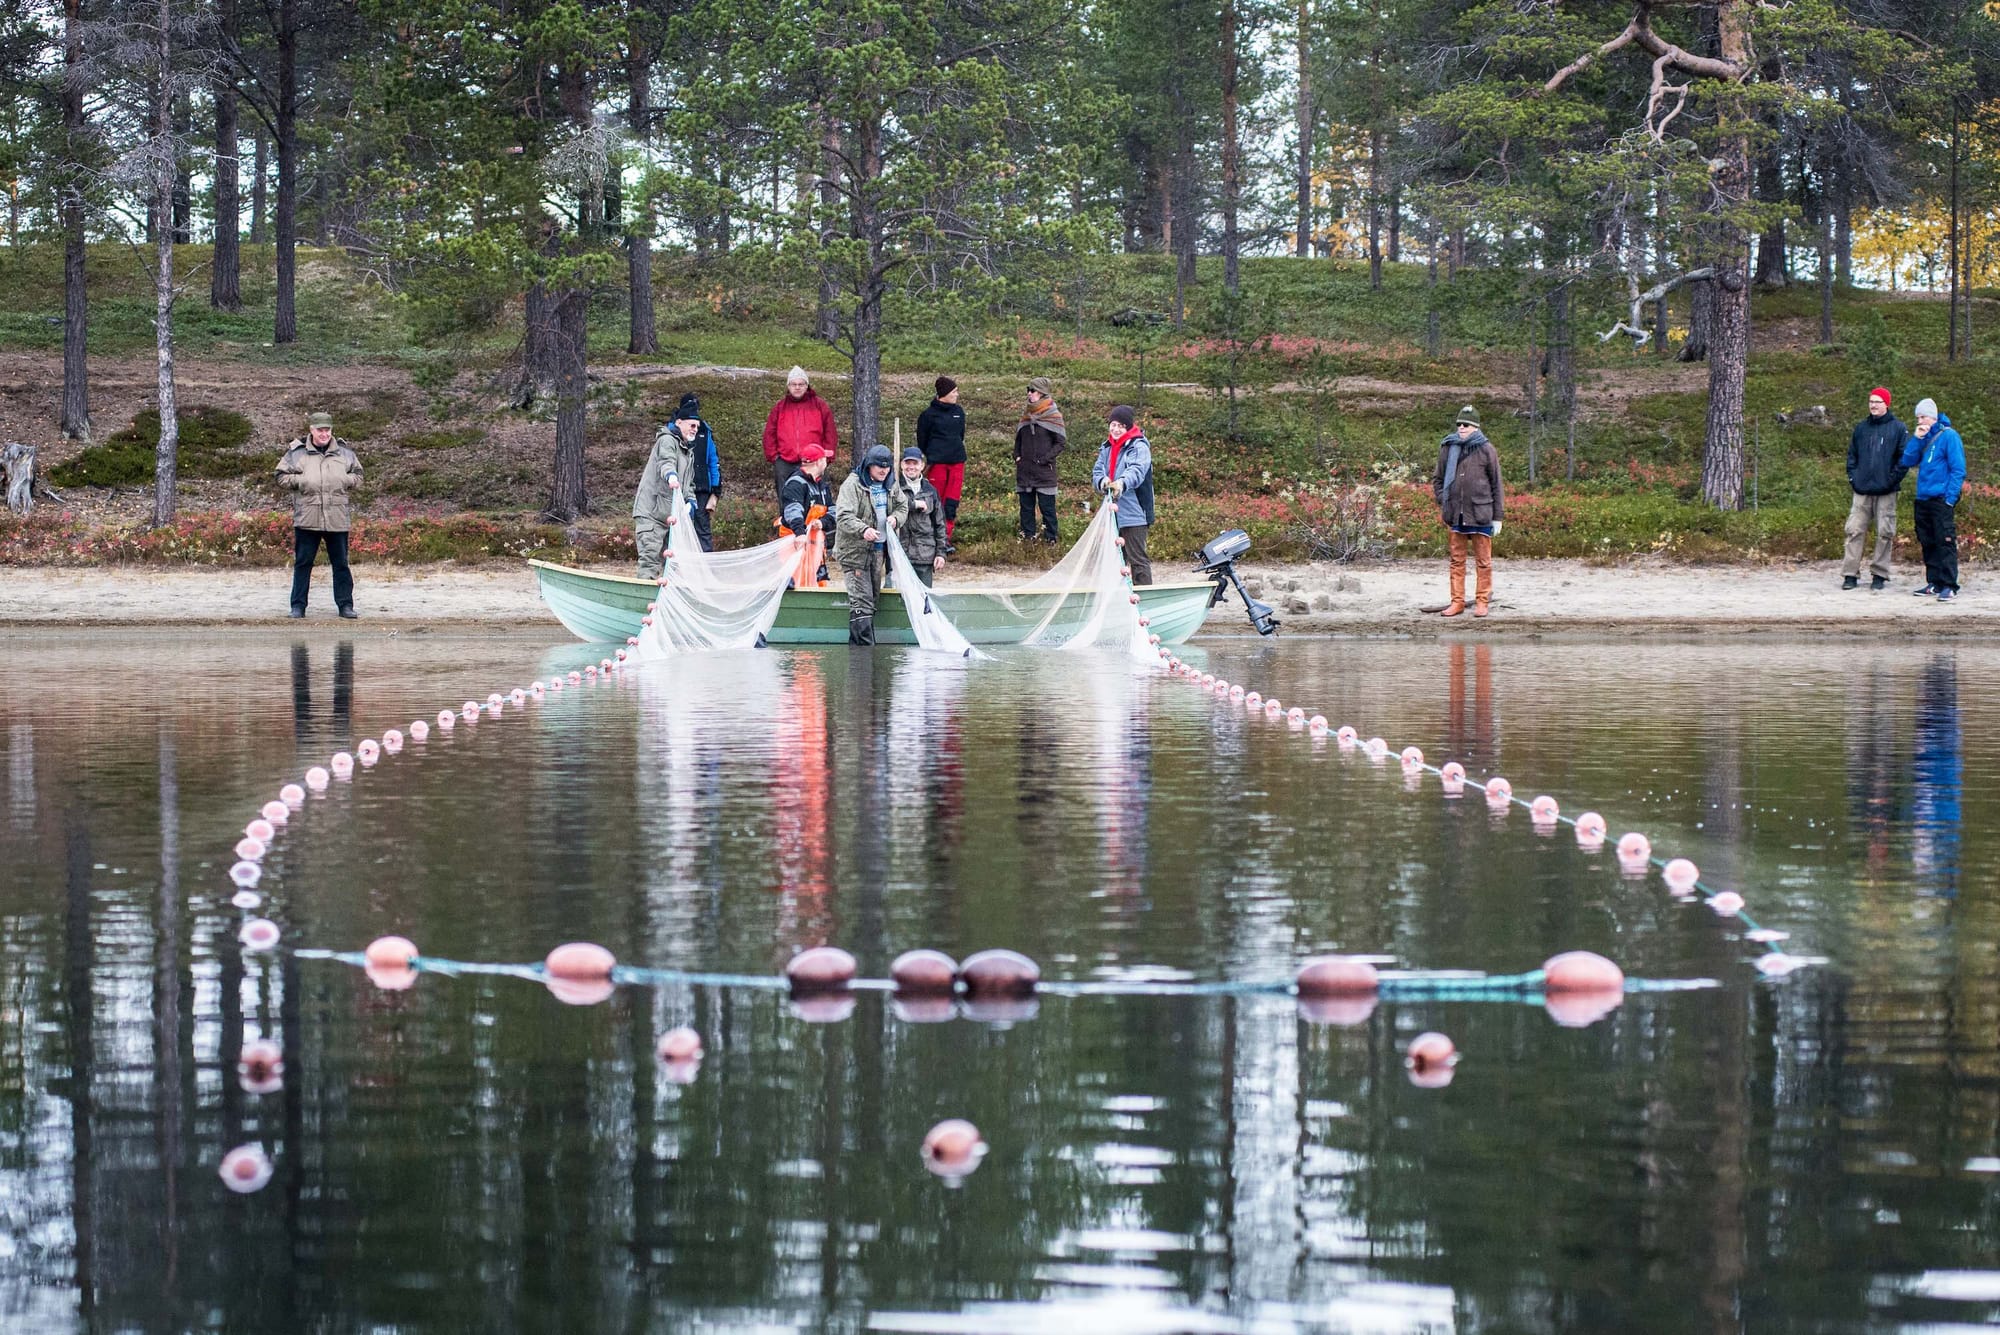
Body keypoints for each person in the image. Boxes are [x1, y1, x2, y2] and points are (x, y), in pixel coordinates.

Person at [277, 411, 364, 619]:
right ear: (312, 430)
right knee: (303, 563)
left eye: (327, 430)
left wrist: (346, 480)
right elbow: (280, 476)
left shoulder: (345, 453)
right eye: (320, 430)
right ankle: (298, 607)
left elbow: (359, 476)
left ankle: (345, 606)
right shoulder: (296, 453)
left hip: (337, 517)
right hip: (307, 517)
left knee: (341, 564)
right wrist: (301, 481)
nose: (324, 434)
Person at [632, 393, 723, 575]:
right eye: (692, 425)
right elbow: (666, 463)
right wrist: (671, 476)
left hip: (670, 517)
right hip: (652, 513)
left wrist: (691, 502)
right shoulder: (667, 440)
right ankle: (643, 597)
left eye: (697, 426)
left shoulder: (688, 451)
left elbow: (689, 484)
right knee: (650, 560)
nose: (695, 429)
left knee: (671, 567)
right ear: (679, 422)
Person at [1432, 405, 1504, 618]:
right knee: (1456, 561)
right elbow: (1437, 479)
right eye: (1459, 424)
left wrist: (1497, 517)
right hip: (1455, 515)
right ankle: (1457, 602)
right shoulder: (1448, 447)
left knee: (1483, 561)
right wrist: (1443, 500)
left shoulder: (1487, 450)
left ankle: (1482, 602)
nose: (1461, 427)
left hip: (1481, 514)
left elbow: (1497, 484)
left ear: (1475, 427)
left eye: (1466, 424)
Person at [833, 444, 909, 644]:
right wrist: (863, 529)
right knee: (862, 602)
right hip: (855, 552)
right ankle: (863, 652)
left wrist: (895, 518)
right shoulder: (853, 485)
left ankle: (862, 651)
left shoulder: (891, 483)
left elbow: (903, 506)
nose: (883, 471)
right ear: (869, 465)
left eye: (887, 467)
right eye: (879, 467)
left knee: (872, 600)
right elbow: (843, 516)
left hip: (879, 552)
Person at [1900, 397, 1966, 602]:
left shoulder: (1949, 436)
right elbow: (1907, 460)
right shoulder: (1923, 437)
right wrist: (1917, 439)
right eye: (1918, 417)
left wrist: (1950, 498)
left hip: (1941, 498)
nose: (1920, 421)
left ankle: (1949, 585)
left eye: (1923, 417)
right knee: (1927, 541)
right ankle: (1934, 582)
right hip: (1923, 498)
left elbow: (1958, 469)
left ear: (1933, 417)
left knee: (1944, 541)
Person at [1842, 387, 1908, 591]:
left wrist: (1891, 480)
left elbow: (1903, 459)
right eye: (1871, 401)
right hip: (1862, 491)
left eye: (1878, 401)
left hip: (1886, 491)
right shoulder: (1861, 428)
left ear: (1886, 404)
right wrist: (1854, 478)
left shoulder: (1898, 428)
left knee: (1885, 533)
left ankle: (1879, 574)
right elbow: (1852, 456)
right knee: (1854, 530)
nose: (1873, 405)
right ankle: (1850, 574)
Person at [1092, 405, 1156, 585]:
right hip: (1112, 513)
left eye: (1121, 426)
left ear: (1128, 427)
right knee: (1114, 561)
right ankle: (1118, 598)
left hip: (1135, 513)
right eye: (1113, 425)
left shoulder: (1139, 446)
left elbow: (1137, 470)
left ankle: (1145, 597)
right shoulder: (1107, 447)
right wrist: (1103, 482)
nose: (1116, 429)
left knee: (1137, 559)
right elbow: (1097, 471)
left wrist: (1121, 483)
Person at [762, 366, 839, 503]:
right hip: (785, 462)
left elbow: (830, 434)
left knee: (817, 499)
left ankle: (818, 524)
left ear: (806, 385)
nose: (797, 387)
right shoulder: (779, 408)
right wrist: (774, 457)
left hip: (815, 462)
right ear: (788, 386)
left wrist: (827, 458)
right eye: (794, 384)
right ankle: (788, 523)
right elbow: (769, 434)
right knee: (787, 500)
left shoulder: (820, 406)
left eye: (801, 384)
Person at [916, 376, 966, 553]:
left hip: (957, 462)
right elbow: (922, 440)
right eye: (954, 392)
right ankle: (931, 539)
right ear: (944, 394)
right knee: (934, 500)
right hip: (937, 463)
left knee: (951, 502)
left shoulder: (959, 411)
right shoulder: (928, 415)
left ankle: (946, 539)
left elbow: (961, 434)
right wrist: (931, 456)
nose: (957, 394)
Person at [1014, 375, 1066, 544]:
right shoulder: (1026, 414)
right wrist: (1017, 457)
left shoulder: (1053, 415)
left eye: (1032, 390)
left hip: (1045, 471)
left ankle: (1051, 539)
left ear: (1042, 393)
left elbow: (1060, 443)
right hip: (1025, 470)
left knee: (1047, 508)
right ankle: (1028, 538)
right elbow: (1019, 438)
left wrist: (1045, 459)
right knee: (1026, 508)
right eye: (1028, 390)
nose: (1029, 393)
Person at [897, 446, 948, 586]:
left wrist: (941, 553)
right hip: (900, 556)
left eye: (915, 463)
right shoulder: (894, 488)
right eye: (908, 463)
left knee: (924, 601)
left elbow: (940, 525)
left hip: (925, 556)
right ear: (901, 464)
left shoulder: (931, 491)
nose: (911, 467)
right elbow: (891, 506)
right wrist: (914, 504)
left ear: (922, 465)